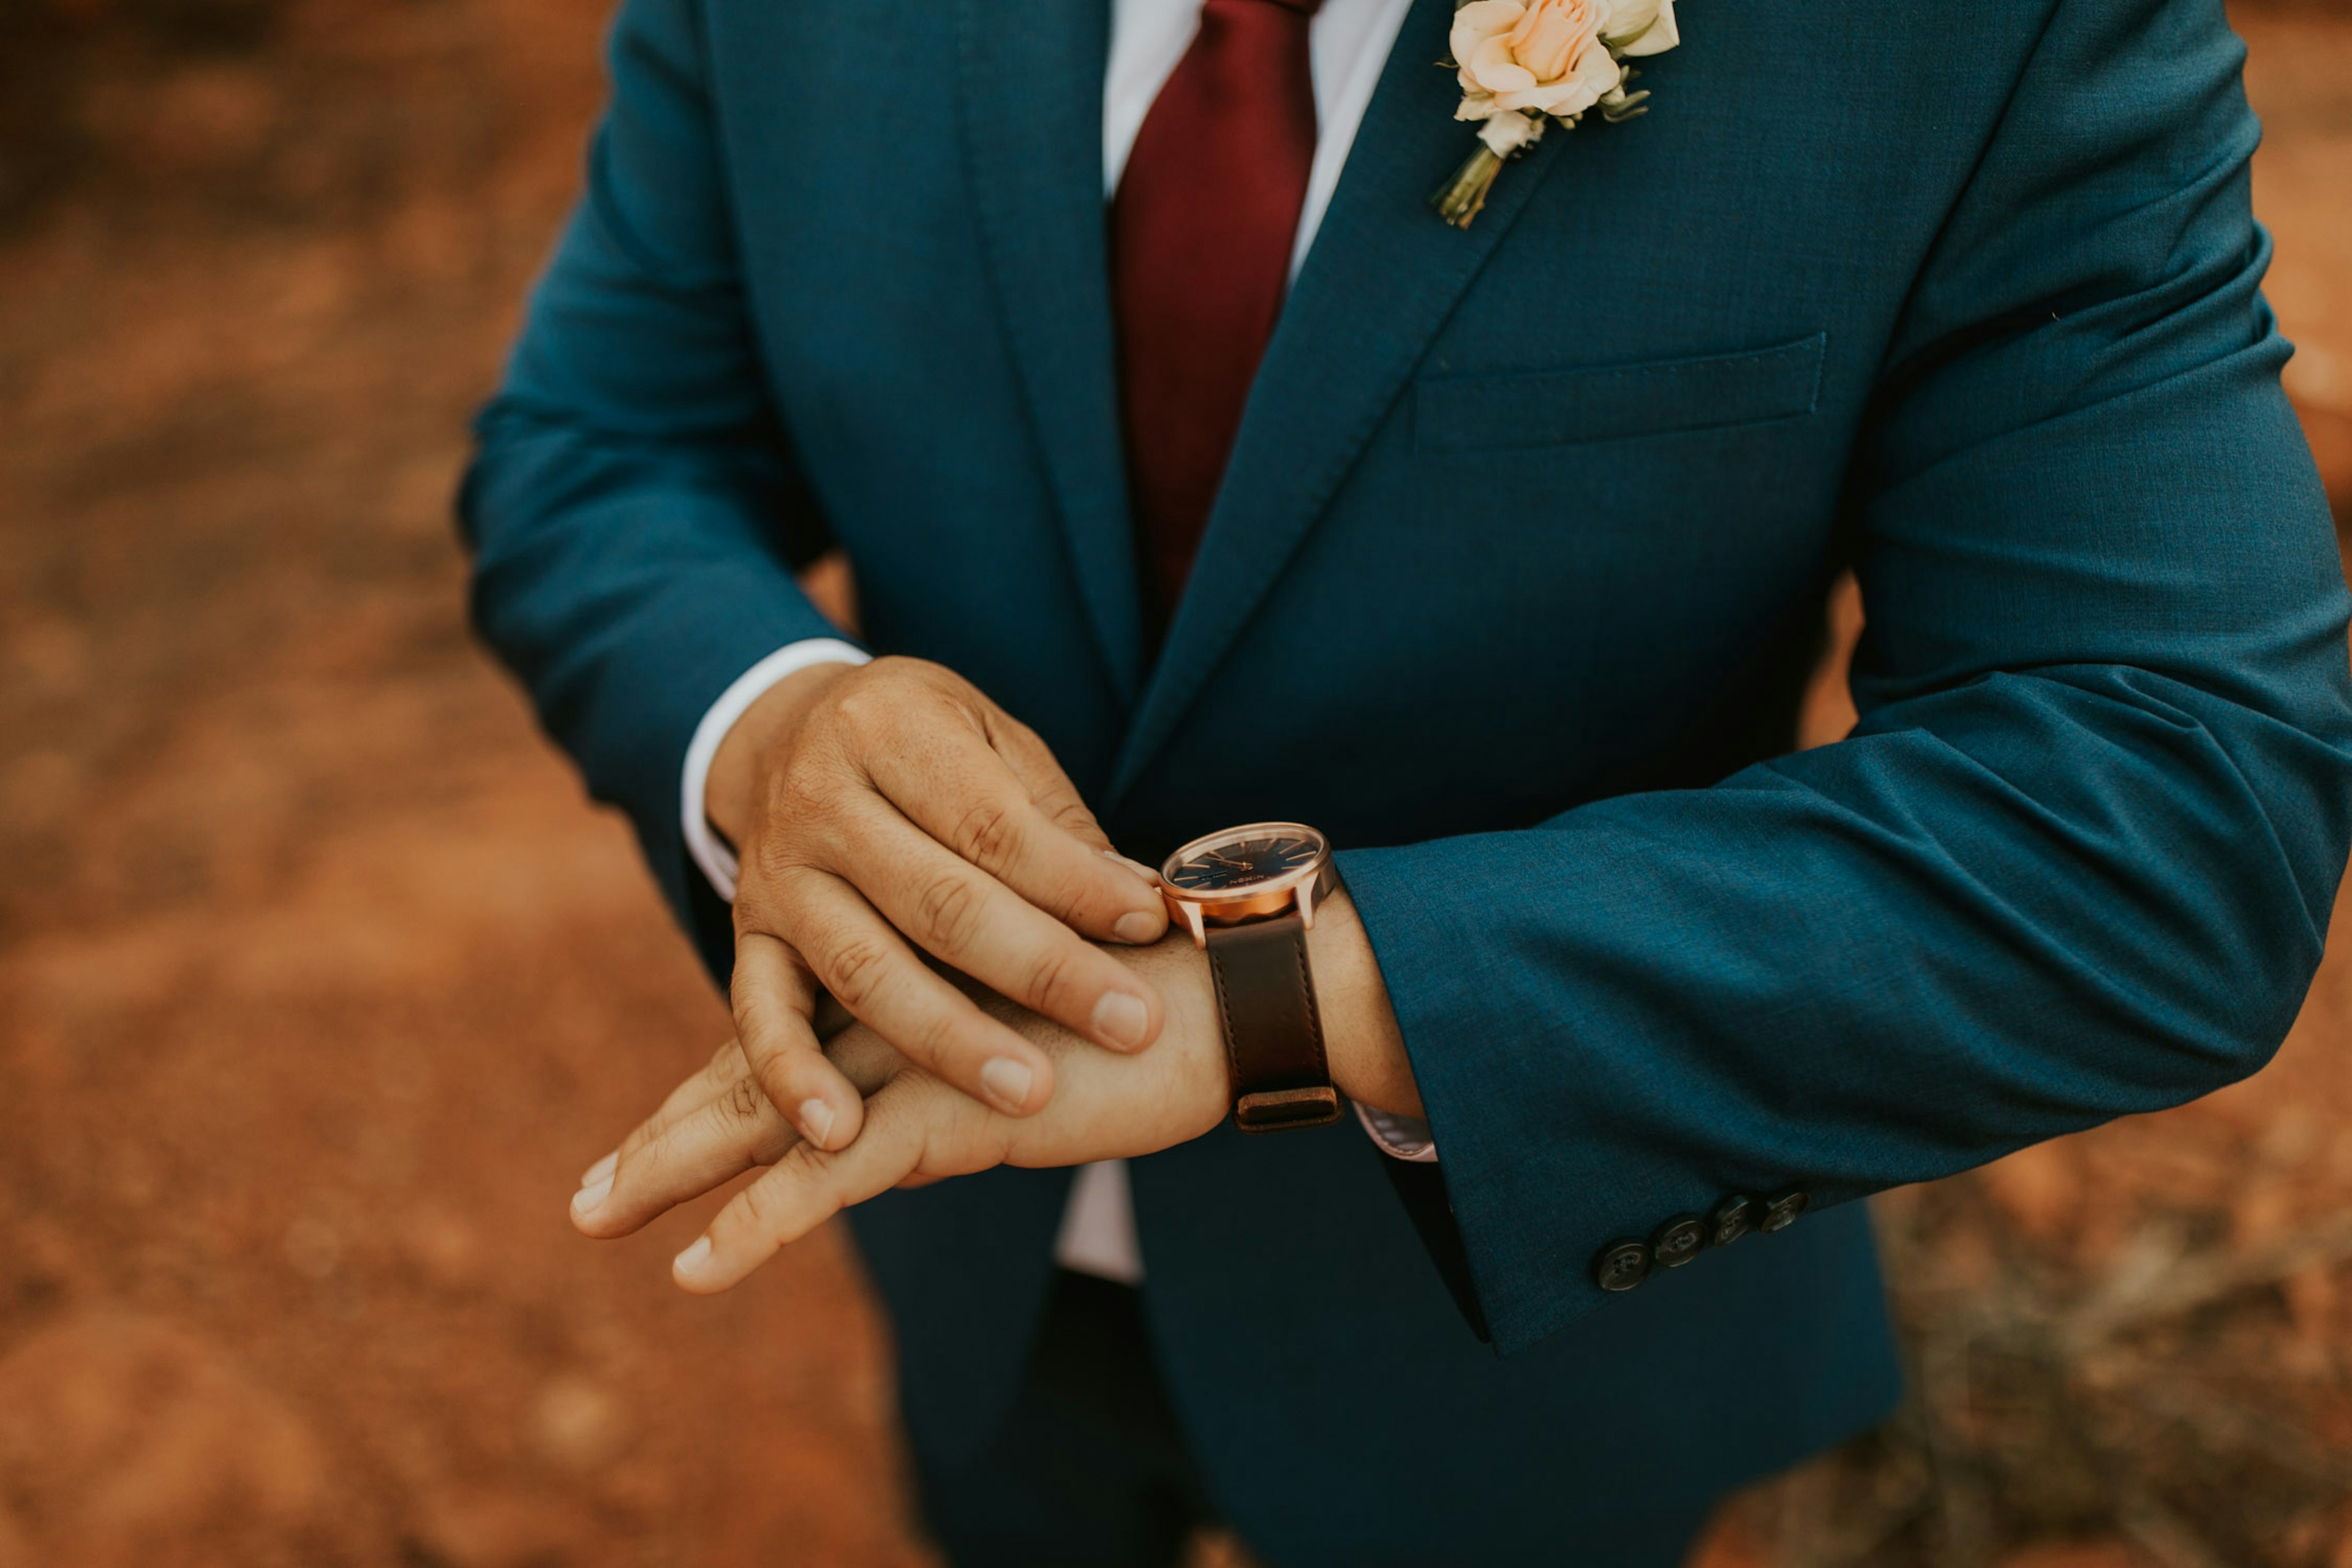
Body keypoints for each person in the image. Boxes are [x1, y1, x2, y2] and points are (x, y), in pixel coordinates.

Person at [458, 0, 2352, 1561]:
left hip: (1534, 1348)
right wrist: (767, 717)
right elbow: (593, 445)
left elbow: (2176, 795)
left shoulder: (1983, 37)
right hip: (966, 1258)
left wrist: (1297, 998)